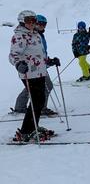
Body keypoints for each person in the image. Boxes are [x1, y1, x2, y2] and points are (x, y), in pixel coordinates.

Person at [10, 10, 58, 142]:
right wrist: (18, 64)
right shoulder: (20, 36)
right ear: (22, 22)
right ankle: (26, 131)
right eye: (28, 20)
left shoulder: (35, 34)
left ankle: (33, 127)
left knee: (39, 100)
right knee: (37, 101)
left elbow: (39, 54)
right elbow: (13, 55)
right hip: (29, 73)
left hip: (40, 71)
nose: (32, 23)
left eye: (33, 20)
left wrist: (49, 61)